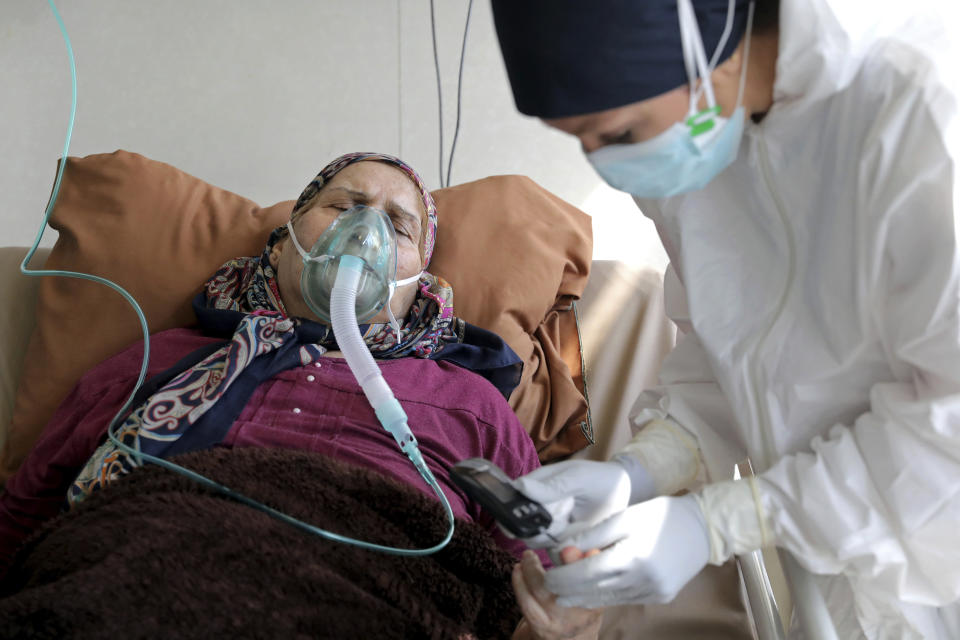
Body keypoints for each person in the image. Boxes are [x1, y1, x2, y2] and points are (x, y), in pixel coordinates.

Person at [490, 0, 960, 638]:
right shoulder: (695, 144)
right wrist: (638, 470)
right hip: (850, 583)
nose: (607, 163)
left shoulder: (924, 111)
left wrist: (722, 522)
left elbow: (948, 430)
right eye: (580, 140)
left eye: (620, 133)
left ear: (705, 44)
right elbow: (729, 360)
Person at [0, 152, 602, 640]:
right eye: (344, 205)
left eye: (400, 225)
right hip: (131, 576)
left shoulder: (471, 403)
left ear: (419, 279)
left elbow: (534, 581)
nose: (365, 233)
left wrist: (567, 625)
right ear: (285, 242)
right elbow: (24, 522)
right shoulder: (158, 359)